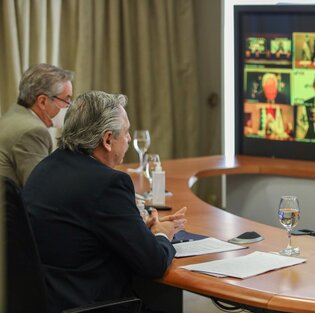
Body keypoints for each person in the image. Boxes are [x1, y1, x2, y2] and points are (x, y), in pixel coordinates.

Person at [22, 91, 187, 313]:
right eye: (126, 132)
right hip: (92, 303)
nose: (129, 139)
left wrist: (137, 229)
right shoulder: (108, 183)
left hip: (48, 300)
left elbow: (81, 234)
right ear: (108, 140)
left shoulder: (44, 168)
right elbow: (153, 264)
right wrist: (161, 234)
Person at [0, 63, 73, 187]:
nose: (69, 106)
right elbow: (41, 190)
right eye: (66, 100)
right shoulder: (33, 131)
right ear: (43, 101)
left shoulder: (14, 114)